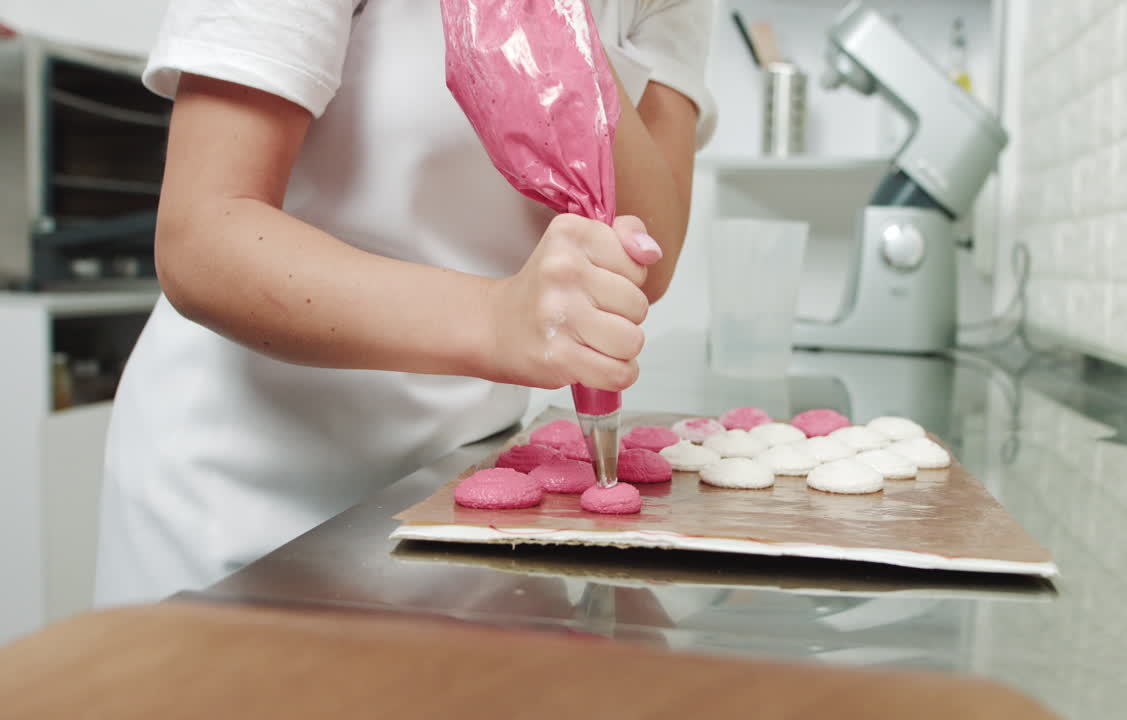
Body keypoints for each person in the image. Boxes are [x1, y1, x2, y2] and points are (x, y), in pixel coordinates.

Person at [95, 0, 716, 606]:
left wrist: (557, 23)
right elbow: (203, 236)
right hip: (243, 492)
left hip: (465, 485)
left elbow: (645, 251)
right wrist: (495, 320)